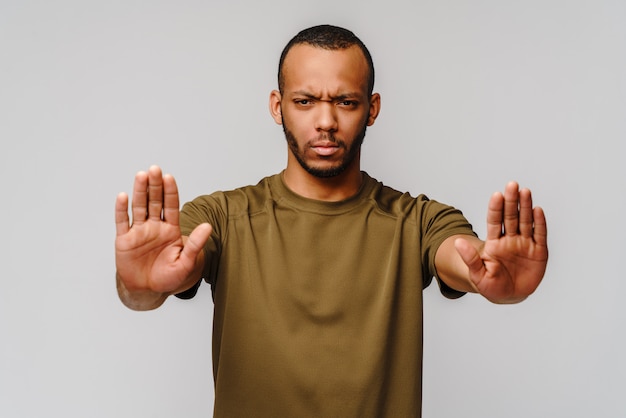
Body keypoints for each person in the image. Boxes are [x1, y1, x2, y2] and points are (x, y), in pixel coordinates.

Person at [114, 24, 548, 417]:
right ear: (277, 106)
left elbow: (462, 258)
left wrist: (491, 282)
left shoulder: (415, 220)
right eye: (304, 101)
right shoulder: (222, 217)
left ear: (372, 108)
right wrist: (142, 285)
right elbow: (158, 281)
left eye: (345, 101)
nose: (326, 122)